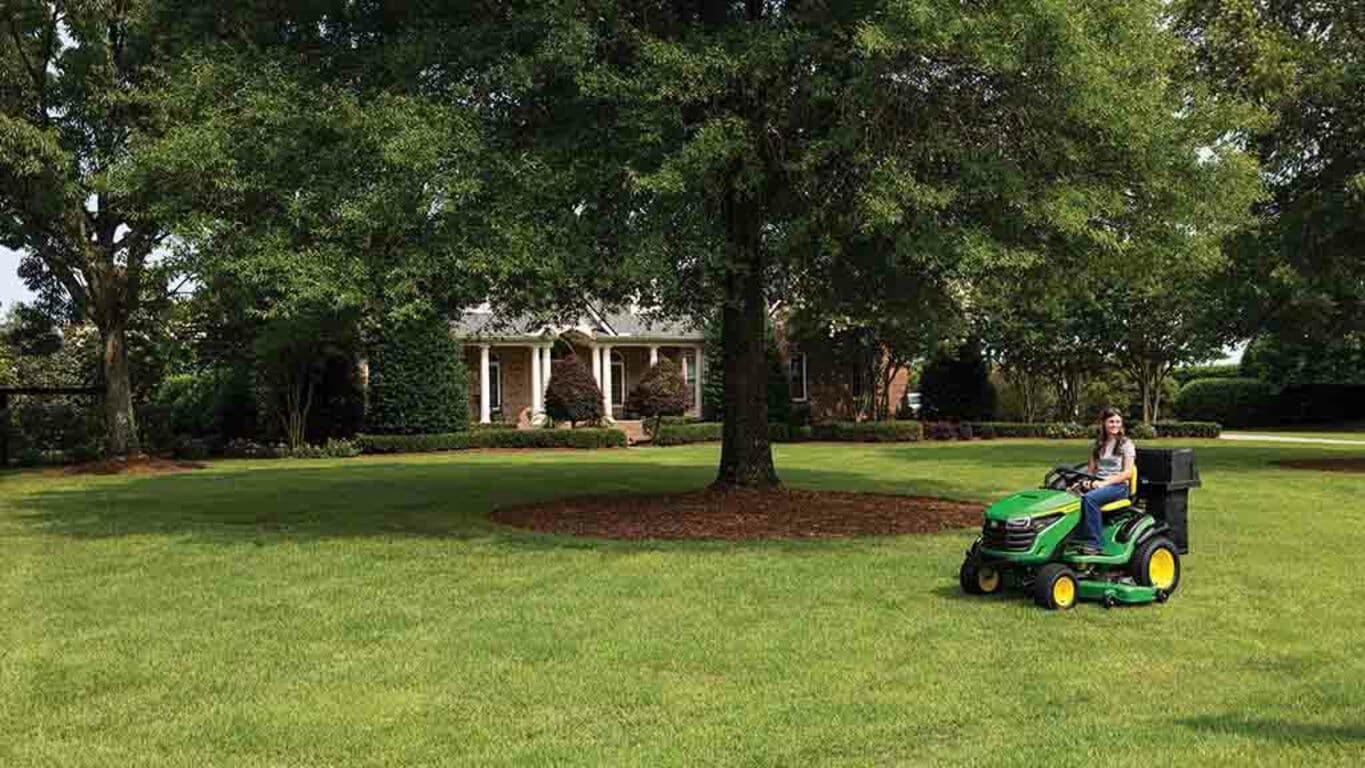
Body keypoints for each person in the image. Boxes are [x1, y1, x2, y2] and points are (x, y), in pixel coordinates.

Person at [1074, 407, 1136, 555]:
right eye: (1111, 422)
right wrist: (1082, 483)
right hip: (1099, 483)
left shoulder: (1126, 444)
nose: (1114, 425)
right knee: (1070, 497)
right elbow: (1091, 471)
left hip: (1119, 486)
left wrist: (1104, 483)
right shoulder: (1098, 445)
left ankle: (1094, 543)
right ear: (1103, 423)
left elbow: (1127, 473)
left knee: (1090, 499)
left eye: (1117, 422)